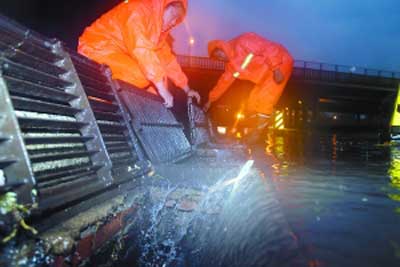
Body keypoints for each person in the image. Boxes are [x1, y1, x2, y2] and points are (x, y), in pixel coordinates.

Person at [78, 0, 200, 108]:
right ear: (165, 5)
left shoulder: (158, 34)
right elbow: (140, 48)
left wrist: (187, 89)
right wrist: (162, 89)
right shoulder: (138, 10)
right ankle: (97, 102)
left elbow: (168, 62)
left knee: (159, 78)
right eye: (173, 15)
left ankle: (151, 116)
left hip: (113, 53)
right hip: (95, 47)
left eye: (177, 21)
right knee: (145, 75)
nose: (173, 22)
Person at [204, 32, 293, 133]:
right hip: (264, 78)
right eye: (218, 58)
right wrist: (210, 100)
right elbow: (223, 83)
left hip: (281, 62)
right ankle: (255, 134)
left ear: (221, 47)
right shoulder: (231, 67)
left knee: (264, 101)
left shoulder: (243, 41)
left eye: (219, 54)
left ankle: (256, 136)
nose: (221, 58)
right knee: (251, 104)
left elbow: (269, 48)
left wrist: (276, 69)